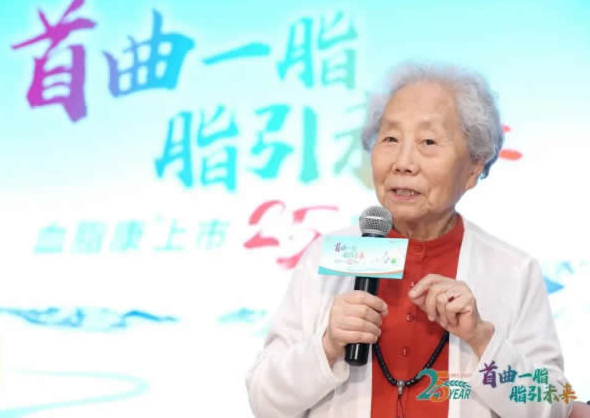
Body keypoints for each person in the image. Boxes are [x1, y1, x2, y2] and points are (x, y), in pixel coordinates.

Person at [245, 62, 574, 417]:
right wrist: (327, 345)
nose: (403, 163)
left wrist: (481, 338)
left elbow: (553, 405)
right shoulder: (327, 257)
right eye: (390, 139)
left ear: (474, 167)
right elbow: (264, 399)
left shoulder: (513, 270)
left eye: (428, 142)